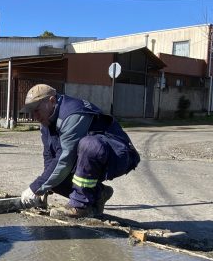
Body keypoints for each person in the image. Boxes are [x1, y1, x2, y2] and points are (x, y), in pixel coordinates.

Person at [18, 84, 140, 218]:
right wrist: (43, 190)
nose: (34, 116)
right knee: (54, 182)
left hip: (118, 155)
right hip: (92, 157)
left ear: (52, 101)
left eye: (37, 110)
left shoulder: (72, 114)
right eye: (31, 111)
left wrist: (35, 188)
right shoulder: (46, 122)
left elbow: (64, 159)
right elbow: (50, 158)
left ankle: (80, 206)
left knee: (88, 145)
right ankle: (99, 194)